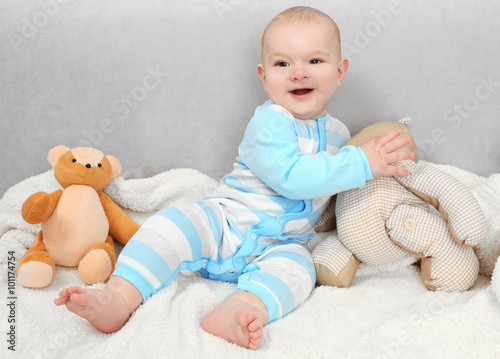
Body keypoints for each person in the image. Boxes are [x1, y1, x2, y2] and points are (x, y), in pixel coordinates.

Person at [55, 6, 414, 350]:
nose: (298, 72)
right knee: (175, 224)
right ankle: (120, 295)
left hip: (279, 246)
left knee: (300, 271)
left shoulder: (339, 134)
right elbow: (292, 178)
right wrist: (362, 162)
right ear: (264, 76)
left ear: (340, 71)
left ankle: (241, 308)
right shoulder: (270, 123)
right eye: (282, 63)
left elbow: (330, 190)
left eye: (315, 61)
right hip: (225, 223)